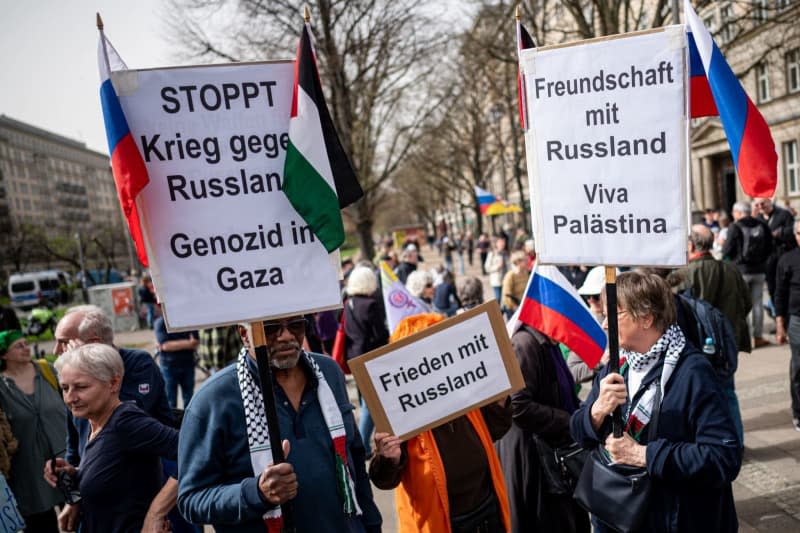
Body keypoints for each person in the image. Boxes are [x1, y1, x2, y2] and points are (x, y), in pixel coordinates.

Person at [570, 271, 740, 532]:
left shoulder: (693, 372)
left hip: (675, 518)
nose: (604, 324)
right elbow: (579, 432)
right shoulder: (617, 364)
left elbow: (723, 456)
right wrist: (596, 412)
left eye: (614, 314)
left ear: (646, 318)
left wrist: (643, 455)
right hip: (616, 512)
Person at [177, 316, 382, 532]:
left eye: (296, 325)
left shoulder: (328, 373)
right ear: (244, 334)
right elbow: (192, 500)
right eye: (271, 328)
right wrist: (256, 493)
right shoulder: (214, 400)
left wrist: (371, 525)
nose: (286, 336)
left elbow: (355, 463)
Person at [370, 313, 512, 533]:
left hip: (486, 509)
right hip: (440, 522)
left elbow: (495, 431)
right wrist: (389, 458)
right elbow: (384, 481)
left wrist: (500, 404)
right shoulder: (401, 411)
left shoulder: (462, 389)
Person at [47, 344, 178, 533]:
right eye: (65, 388)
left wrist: (156, 512)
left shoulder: (125, 422)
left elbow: (195, 452)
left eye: (81, 387)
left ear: (114, 383)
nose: (70, 397)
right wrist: (75, 475)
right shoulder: (95, 422)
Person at [496, 322, 589, 532]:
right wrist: (569, 420)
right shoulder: (525, 343)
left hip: (551, 454)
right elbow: (518, 406)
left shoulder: (548, 342)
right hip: (531, 460)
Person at [0, 329, 66, 533]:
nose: (26, 348)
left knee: (82, 520)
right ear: (4, 354)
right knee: (41, 526)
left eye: (26, 343)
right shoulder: (1, 387)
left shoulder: (48, 370)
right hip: (27, 471)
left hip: (66, 460)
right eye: (18, 346)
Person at [345, 266, 390, 457]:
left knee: (367, 402)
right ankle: (362, 445)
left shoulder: (348, 303)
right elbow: (381, 334)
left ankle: (363, 444)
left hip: (354, 356)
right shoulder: (371, 305)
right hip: (371, 357)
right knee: (370, 405)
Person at [722, 201, 774, 348]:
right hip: (759, 270)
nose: (733, 215)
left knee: (742, 305)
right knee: (757, 304)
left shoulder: (735, 226)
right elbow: (770, 246)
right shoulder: (762, 225)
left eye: (734, 212)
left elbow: (727, 250)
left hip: (741, 271)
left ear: (738, 213)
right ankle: (758, 337)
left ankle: (744, 339)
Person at [775, 220, 800, 431]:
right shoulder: (787, 259)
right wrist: (780, 324)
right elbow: (780, 294)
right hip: (797, 320)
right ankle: (798, 412)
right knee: (799, 367)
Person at [756, 197, 797, 310]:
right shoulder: (758, 218)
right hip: (768, 258)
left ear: (770, 201)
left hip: (784, 254)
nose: (760, 207)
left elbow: (792, 231)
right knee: (772, 287)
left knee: (786, 285)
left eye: (762, 203)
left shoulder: (784, 214)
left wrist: (779, 233)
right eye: (757, 205)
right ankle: (778, 314)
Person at [154, 315, 198, 409]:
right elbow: (165, 345)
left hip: (188, 365)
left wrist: (171, 345)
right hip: (168, 367)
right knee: (170, 402)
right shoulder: (161, 322)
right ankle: (171, 423)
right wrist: (188, 343)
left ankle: (187, 423)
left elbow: (195, 342)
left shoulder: (189, 320)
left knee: (189, 401)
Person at [501, 251, 529, 318]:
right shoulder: (510, 276)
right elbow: (506, 295)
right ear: (518, 262)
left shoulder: (525, 274)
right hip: (513, 309)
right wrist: (515, 308)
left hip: (523, 307)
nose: (527, 262)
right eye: (525, 260)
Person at [485, 236, 509, 303]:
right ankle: (497, 312)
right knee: (498, 298)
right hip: (496, 281)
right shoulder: (492, 254)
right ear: (496, 244)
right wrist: (497, 267)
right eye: (500, 242)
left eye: (503, 242)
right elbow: (487, 268)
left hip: (505, 280)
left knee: (505, 300)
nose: (502, 244)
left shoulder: (506, 253)